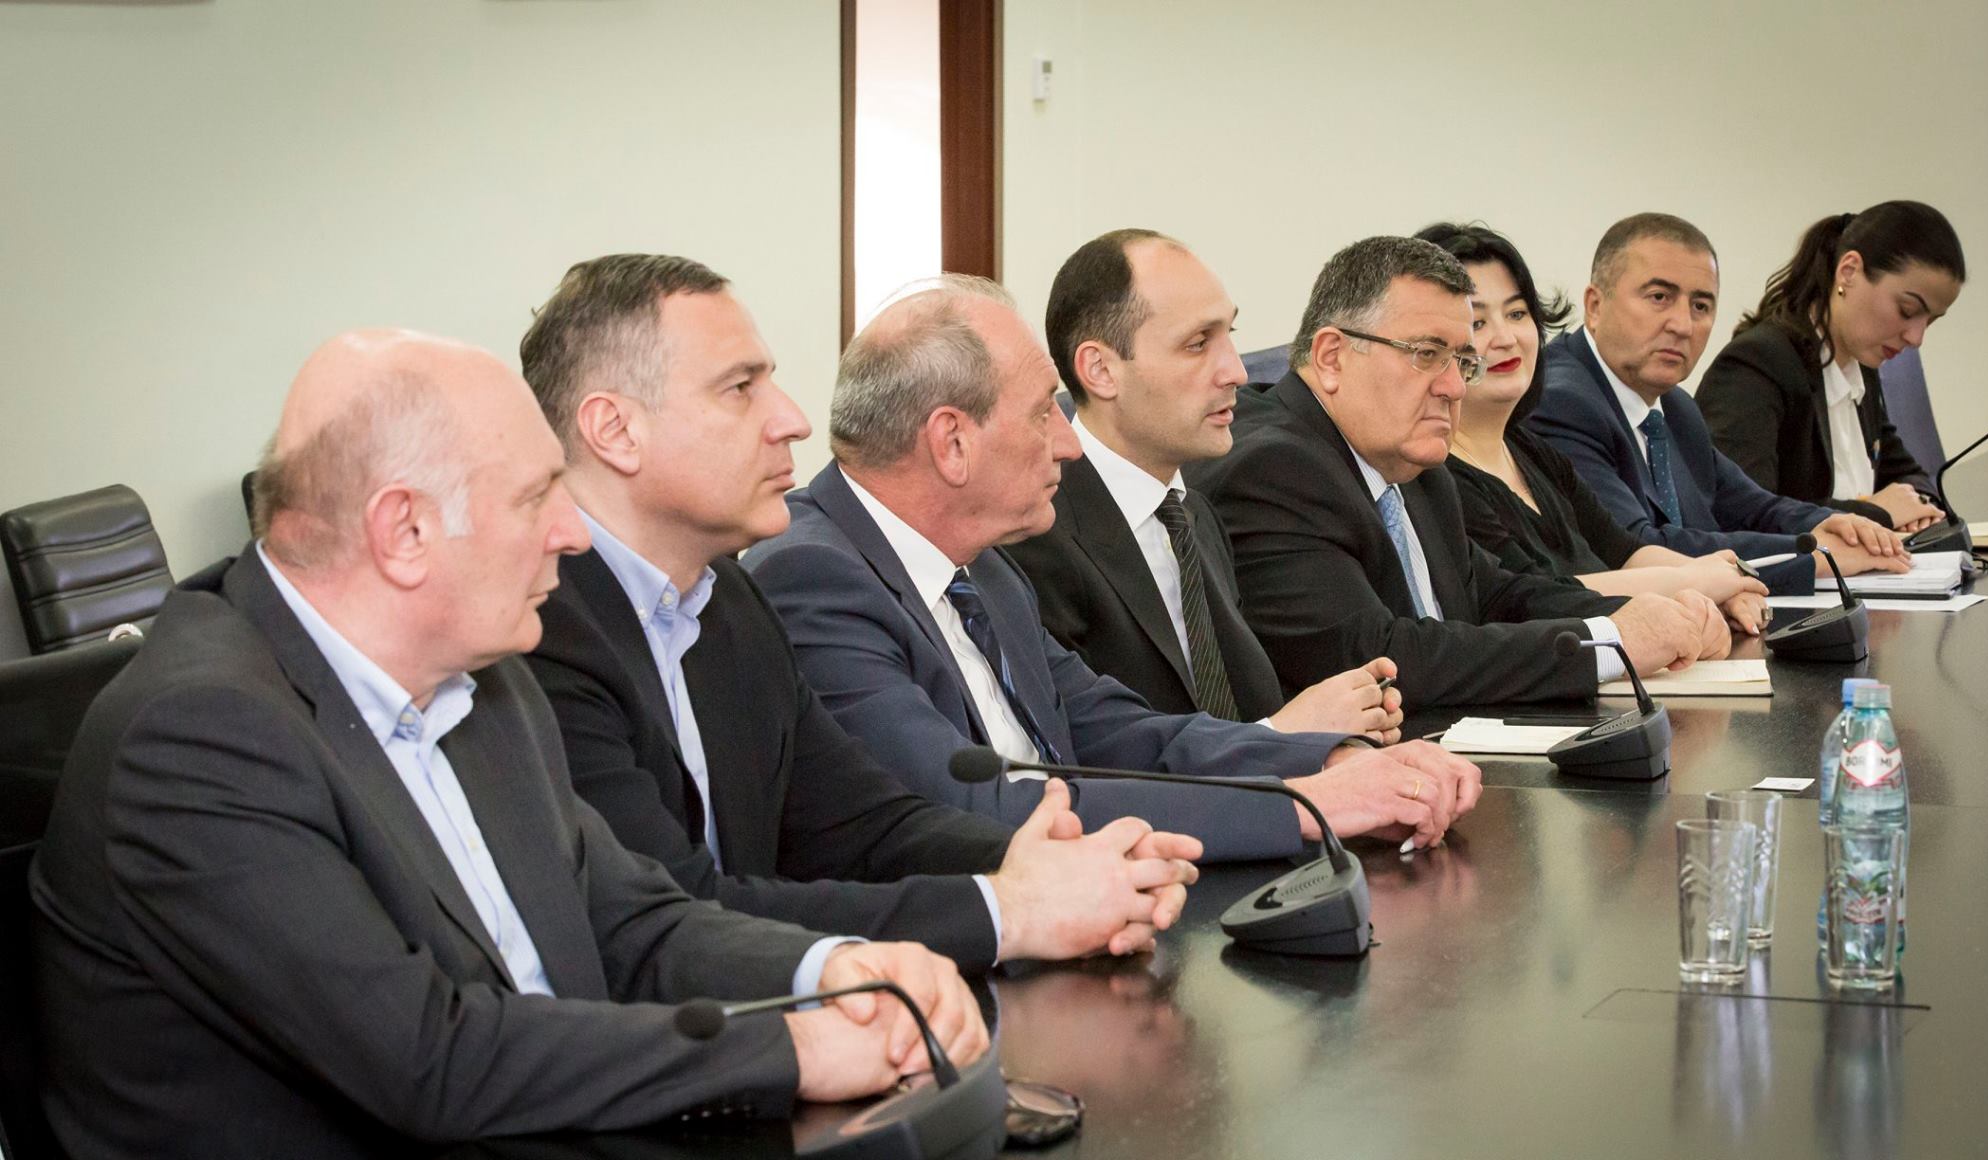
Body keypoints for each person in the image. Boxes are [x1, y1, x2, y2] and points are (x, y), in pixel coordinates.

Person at [28, 330, 986, 1160]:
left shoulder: (483, 677)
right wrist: (792, 1051)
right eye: (535, 498)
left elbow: (628, 922)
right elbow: (426, 1059)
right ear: (405, 531)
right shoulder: (200, 738)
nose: (570, 533)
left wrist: (828, 970)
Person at [517, 253, 1199, 971]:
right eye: (740, 388)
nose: (792, 420)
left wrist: (1067, 864)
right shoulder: (540, 631)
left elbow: (860, 826)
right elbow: (675, 917)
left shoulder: (727, 600)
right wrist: (1009, 909)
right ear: (615, 430)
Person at [746, 275, 1481, 864]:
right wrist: (1304, 808)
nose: (1069, 445)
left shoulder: (987, 569)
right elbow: (975, 807)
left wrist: (1330, 760)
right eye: (1044, 413)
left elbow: (1127, 735)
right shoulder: (811, 580)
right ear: (952, 443)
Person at [1186, 236, 1724, 708]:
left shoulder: (1415, 467)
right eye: (1427, 354)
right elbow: (1378, 658)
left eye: (1463, 362)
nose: (1454, 387)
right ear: (1331, 357)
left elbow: (1498, 596)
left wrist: (1661, 616)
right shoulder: (1273, 470)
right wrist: (1609, 641)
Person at [1007, 228, 1404, 738]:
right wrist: (1281, 737)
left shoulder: (1195, 515)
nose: (1236, 371)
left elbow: (1241, 711)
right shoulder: (1037, 533)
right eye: (1197, 345)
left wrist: (1335, 730)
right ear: (1101, 370)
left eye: (1229, 335)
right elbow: (1091, 749)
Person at [1414, 221, 1772, 637]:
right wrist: (1694, 583)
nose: (1506, 338)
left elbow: (1626, 551)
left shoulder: (1531, 450)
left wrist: (1724, 584)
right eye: (1477, 323)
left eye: (1517, 313)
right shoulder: (1435, 473)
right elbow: (1535, 597)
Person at [1526, 213, 1912, 592]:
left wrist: (1827, 525)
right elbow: (1636, 549)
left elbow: (1753, 506)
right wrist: (1812, 555)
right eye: (1659, 297)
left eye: (1700, 306)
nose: (1682, 325)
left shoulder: (1676, 407)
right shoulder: (1559, 402)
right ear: (1595, 306)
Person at [1696, 202, 1962, 530]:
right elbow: (1741, 513)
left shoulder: (1860, 365)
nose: (1916, 337)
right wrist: (1876, 513)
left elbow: (1908, 475)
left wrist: (1919, 506)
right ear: (1848, 271)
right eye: (1907, 310)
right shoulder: (1756, 364)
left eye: (1930, 321)